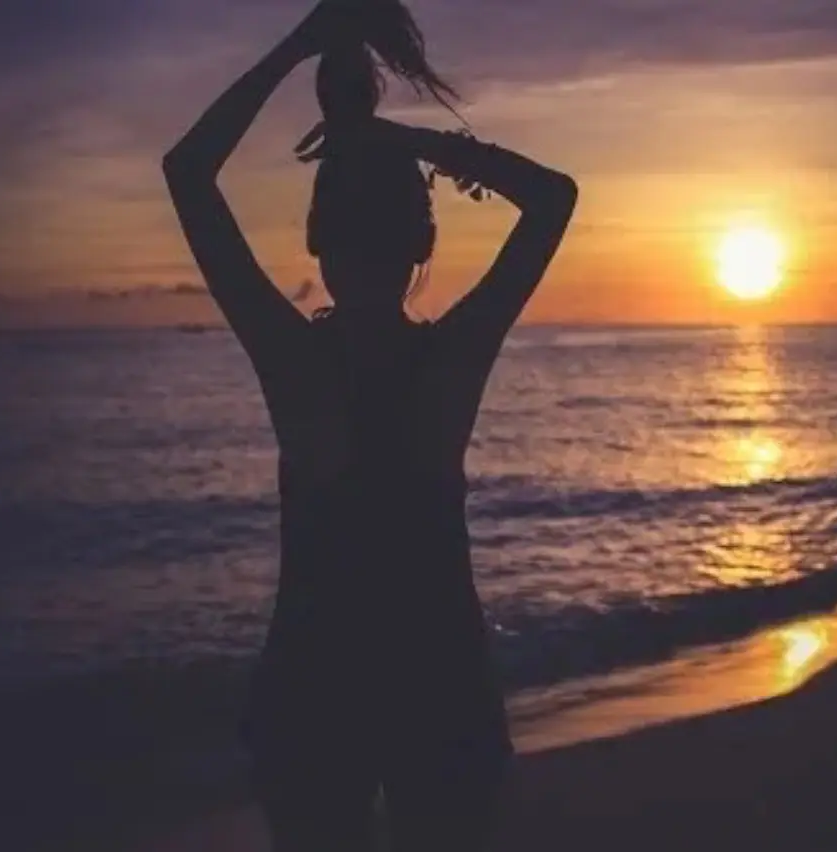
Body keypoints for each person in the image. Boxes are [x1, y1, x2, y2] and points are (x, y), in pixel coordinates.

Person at [161, 1, 578, 849]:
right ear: (423, 242)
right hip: (445, 691)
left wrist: (299, 45)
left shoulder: (295, 362)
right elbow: (551, 199)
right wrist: (400, 139)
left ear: (315, 237)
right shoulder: (450, 359)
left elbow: (188, 171)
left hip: (311, 698)